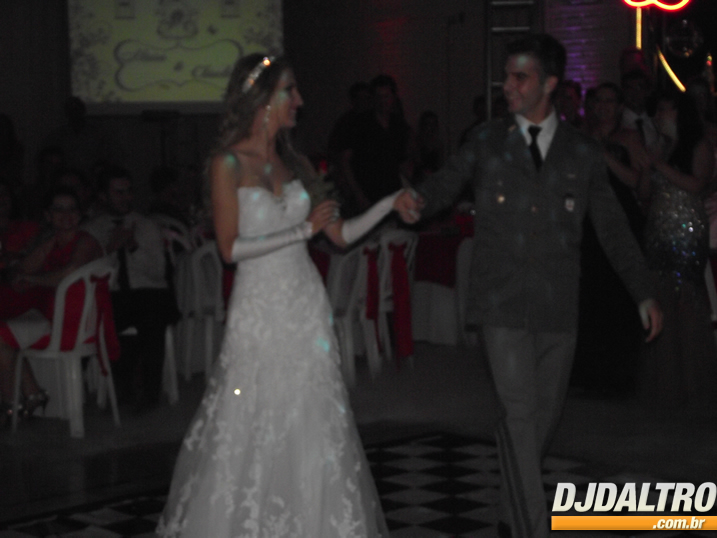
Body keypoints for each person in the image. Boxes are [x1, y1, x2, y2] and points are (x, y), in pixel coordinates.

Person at [396, 34, 663, 538]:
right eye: (507, 75)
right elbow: (445, 183)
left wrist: (643, 291)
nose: (508, 85)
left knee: (540, 421)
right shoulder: (485, 140)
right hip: (499, 302)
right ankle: (531, 528)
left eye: (520, 76)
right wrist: (417, 200)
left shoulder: (582, 151)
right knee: (519, 415)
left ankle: (510, 511)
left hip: (558, 305)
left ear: (550, 83)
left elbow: (611, 226)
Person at [157, 53, 417, 537]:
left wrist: (388, 203)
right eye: (289, 91)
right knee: (249, 412)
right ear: (262, 98)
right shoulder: (227, 162)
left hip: (305, 305)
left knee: (312, 416)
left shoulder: (297, 163)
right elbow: (230, 248)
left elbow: (339, 235)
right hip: (258, 309)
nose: (299, 100)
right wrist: (301, 231)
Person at [639, 90, 717, 411]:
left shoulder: (699, 145)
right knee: (662, 301)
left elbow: (698, 184)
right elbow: (644, 191)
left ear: (679, 112)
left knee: (686, 301)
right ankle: (666, 385)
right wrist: (650, 165)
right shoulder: (660, 146)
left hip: (686, 230)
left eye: (664, 110)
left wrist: (660, 164)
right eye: (657, 111)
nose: (659, 116)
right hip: (659, 229)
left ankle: (694, 386)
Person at [0, 187, 102, 424]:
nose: (66, 214)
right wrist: (23, 275)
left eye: (71, 209)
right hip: (49, 311)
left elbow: (69, 273)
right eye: (59, 209)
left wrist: (31, 279)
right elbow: (23, 268)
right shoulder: (52, 241)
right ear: (48, 215)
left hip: (69, 323)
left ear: (80, 214)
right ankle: (31, 395)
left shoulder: (85, 241)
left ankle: (13, 405)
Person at [83, 165, 178, 412]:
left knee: (151, 314)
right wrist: (111, 248)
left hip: (149, 292)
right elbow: (87, 272)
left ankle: (149, 394)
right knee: (109, 314)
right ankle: (122, 389)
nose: (126, 198)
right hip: (113, 294)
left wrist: (134, 246)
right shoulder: (93, 229)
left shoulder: (145, 225)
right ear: (103, 196)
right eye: (118, 192)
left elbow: (158, 273)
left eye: (128, 191)